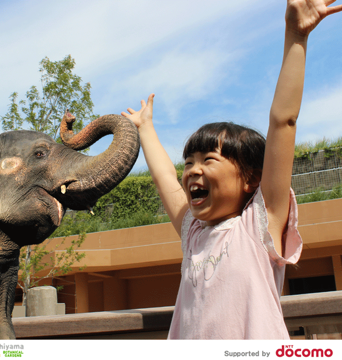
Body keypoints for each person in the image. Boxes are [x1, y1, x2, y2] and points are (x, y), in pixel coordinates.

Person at [122, 0, 342, 339]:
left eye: (209, 160)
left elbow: (283, 121)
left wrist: (296, 35)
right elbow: (165, 177)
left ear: (250, 178)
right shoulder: (193, 232)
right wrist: (146, 128)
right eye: (190, 161)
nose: (193, 170)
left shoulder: (258, 225)